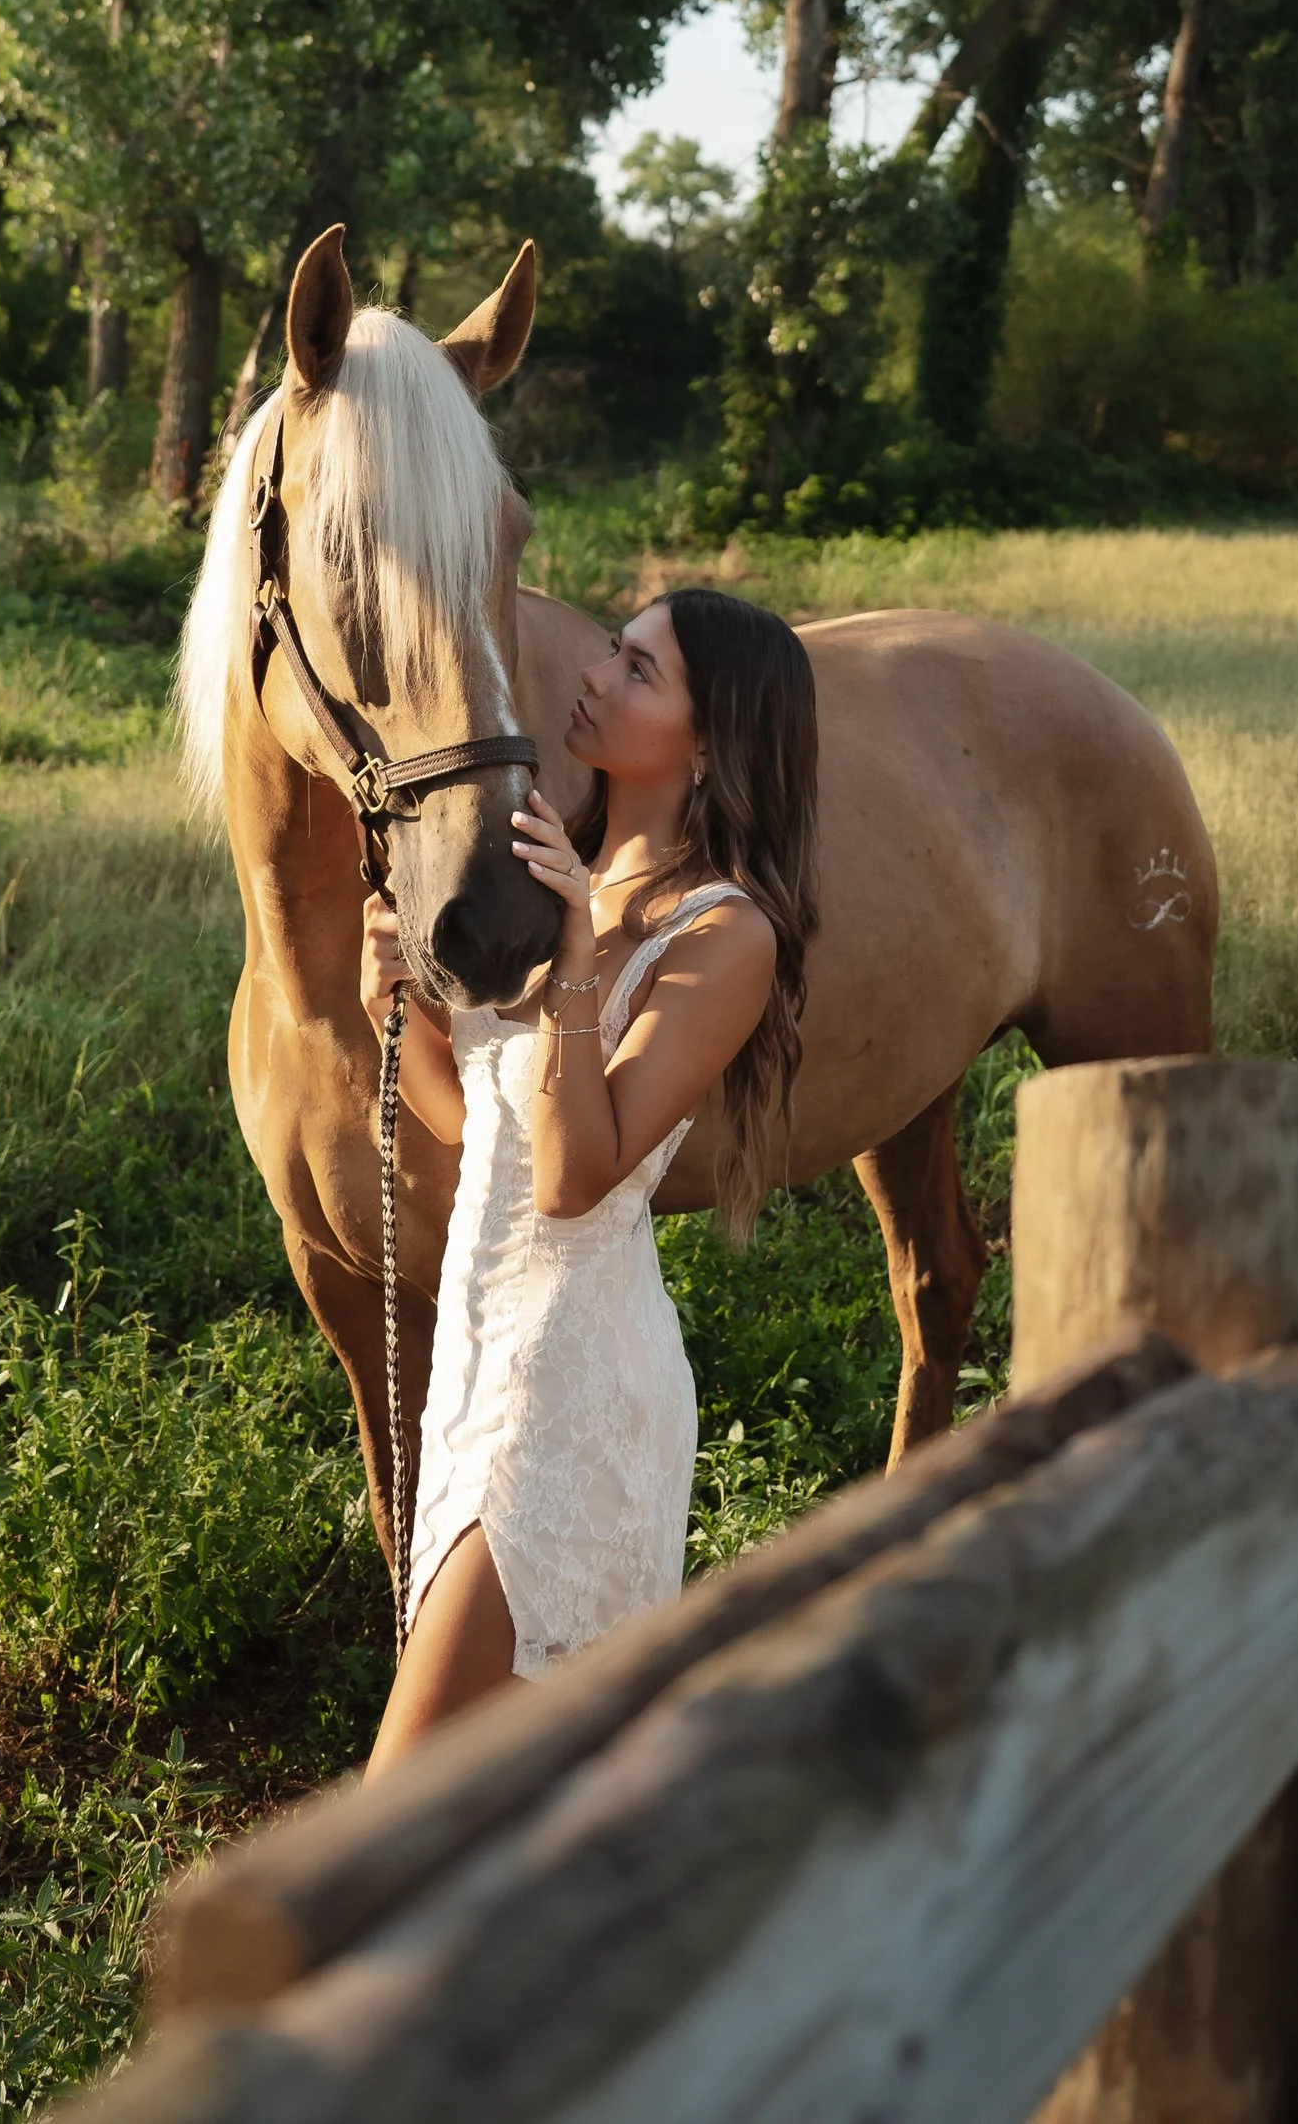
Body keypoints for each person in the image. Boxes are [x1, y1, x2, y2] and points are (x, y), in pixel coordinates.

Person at [361, 584, 819, 1771]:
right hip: (477, 1365)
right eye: (612, 652)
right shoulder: (546, 865)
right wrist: (400, 1008)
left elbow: (574, 1180)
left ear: (708, 741)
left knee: (395, 1802)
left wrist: (573, 964)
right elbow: (483, 1138)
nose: (596, 677)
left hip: (568, 1395)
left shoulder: (726, 937)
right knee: (496, 1815)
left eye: (638, 671)